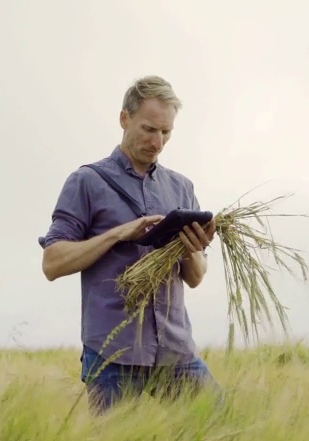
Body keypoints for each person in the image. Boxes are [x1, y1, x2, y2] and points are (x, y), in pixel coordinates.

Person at [37, 76, 222, 412]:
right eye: (149, 129)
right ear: (124, 119)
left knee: (224, 429)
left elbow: (195, 277)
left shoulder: (181, 187)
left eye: (166, 133)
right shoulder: (87, 182)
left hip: (174, 350)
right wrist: (118, 234)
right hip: (113, 353)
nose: (158, 142)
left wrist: (191, 248)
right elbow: (52, 263)